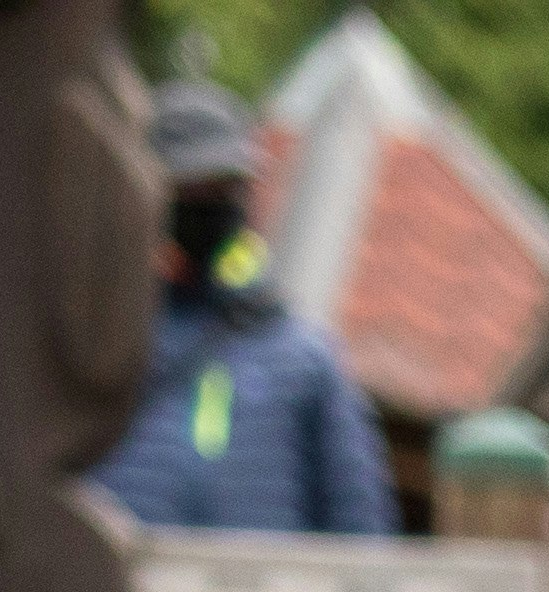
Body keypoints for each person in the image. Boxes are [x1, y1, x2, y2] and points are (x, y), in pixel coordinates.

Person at [97, 83, 392, 543]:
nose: (210, 204)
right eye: (190, 188)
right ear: (144, 194)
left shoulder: (304, 358)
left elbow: (364, 536)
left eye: (225, 186)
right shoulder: (97, 346)